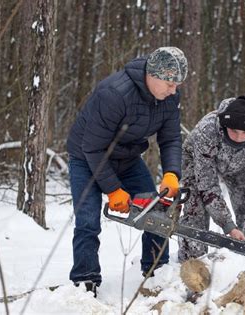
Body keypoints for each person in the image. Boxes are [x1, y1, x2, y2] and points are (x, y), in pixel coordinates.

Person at [66, 47, 188, 295]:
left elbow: (171, 139)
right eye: (169, 83)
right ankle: (85, 280)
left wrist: (172, 173)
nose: (174, 90)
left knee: (158, 211)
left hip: (128, 157)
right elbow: (92, 147)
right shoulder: (114, 94)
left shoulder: (169, 97)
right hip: (87, 157)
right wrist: (113, 189)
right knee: (88, 220)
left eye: (177, 84)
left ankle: (156, 272)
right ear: (152, 76)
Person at [177, 93, 245, 262]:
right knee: (195, 207)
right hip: (197, 162)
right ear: (225, 126)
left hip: (242, 165)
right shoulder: (208, 130)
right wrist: (228, 226)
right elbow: (208, 185)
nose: (239, 137)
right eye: (234, 131)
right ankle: (192, 261)